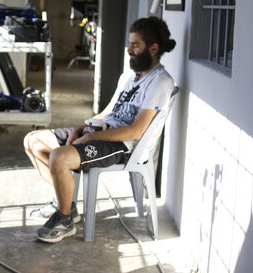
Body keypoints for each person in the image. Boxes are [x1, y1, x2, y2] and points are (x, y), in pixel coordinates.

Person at [23, 16, 176, 243]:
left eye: (135, 45)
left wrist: (93, 136)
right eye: (129, 44)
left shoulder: (160, 82)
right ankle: (65, 204)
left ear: (153, 49)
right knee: (34, 141)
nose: (129, 50)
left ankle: (64, 218)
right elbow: (107, 112)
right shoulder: (129, 77)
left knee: (59, 157)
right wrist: (80, 129)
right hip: (103, 132)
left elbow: (136, 131)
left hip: (123, 145)